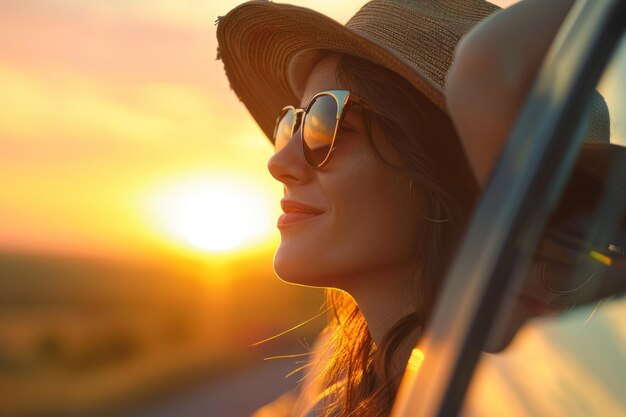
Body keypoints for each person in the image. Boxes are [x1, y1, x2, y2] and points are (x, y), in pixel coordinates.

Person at [216, 0, 624, 416]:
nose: (279, 162)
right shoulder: (344, 376)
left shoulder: (503, 389)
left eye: (327, 122)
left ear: (451, 167)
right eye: (293, 124)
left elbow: (485, 62)